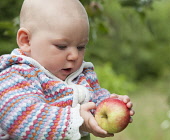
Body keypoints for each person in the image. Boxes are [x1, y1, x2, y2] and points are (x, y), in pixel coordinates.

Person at [0, 0, 135, 139]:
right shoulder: (16, 74)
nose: (74, 55)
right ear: (26, 40)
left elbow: (95, 103)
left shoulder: (82, 75)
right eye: (62, 46)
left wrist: (110, 103)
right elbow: (20, 117)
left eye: (80, 47)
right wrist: (76, 120)